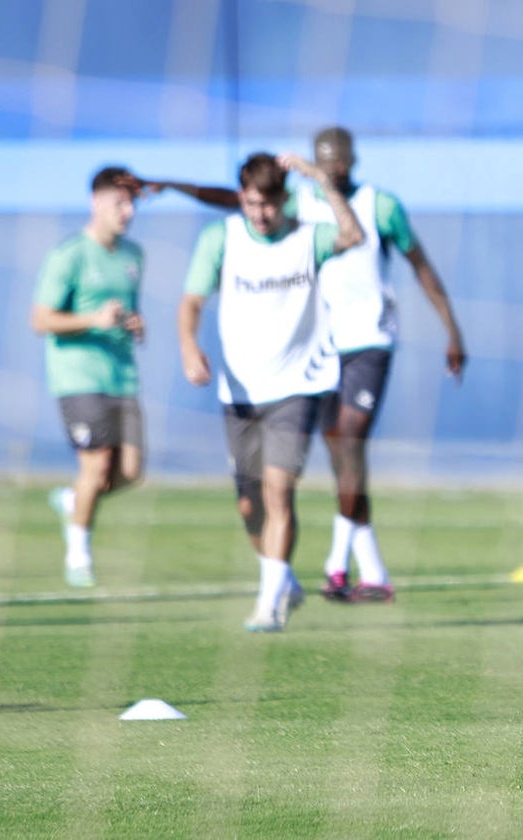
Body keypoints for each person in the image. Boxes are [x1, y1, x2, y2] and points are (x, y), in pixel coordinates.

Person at [137, 127, 467, 604]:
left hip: (370, 340)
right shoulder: (292, 210)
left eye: (338, 162)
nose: (332, 168)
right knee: (331, 457)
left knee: (348, 443)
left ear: (352, 161)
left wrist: (451, 330)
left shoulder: (379, 205)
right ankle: (367, 568)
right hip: (319, 349)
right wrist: (171, 185)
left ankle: (337, 563)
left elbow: (422, 266)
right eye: (322, 161)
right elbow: (234, 200)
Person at [177, 151, 365, 632]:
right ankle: (281, 577)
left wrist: (321, 179)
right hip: (239, 390)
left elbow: (353, 235)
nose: (258, 213)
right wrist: (188, 346)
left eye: (267, 204)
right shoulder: (221, 237)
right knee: (249, 505)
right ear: (241, 196)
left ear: (284, 199)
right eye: (250, 202)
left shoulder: (308, 238)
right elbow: (193, 301)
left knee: (279, 491)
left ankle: (268, 604)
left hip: (299, 386)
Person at [31, 166, 148, 588]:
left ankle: (71, 499)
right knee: (96, 467)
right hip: (78, 376)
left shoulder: (134, 255)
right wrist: (93, 319)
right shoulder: (69, 255)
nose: (129, 211)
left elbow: (126, 313)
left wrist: (136, 325)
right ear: (96, 202)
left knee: (132, 471)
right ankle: (78, 552)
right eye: (120, 202)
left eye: (133, 202)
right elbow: (40, 319)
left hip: (123, 377)